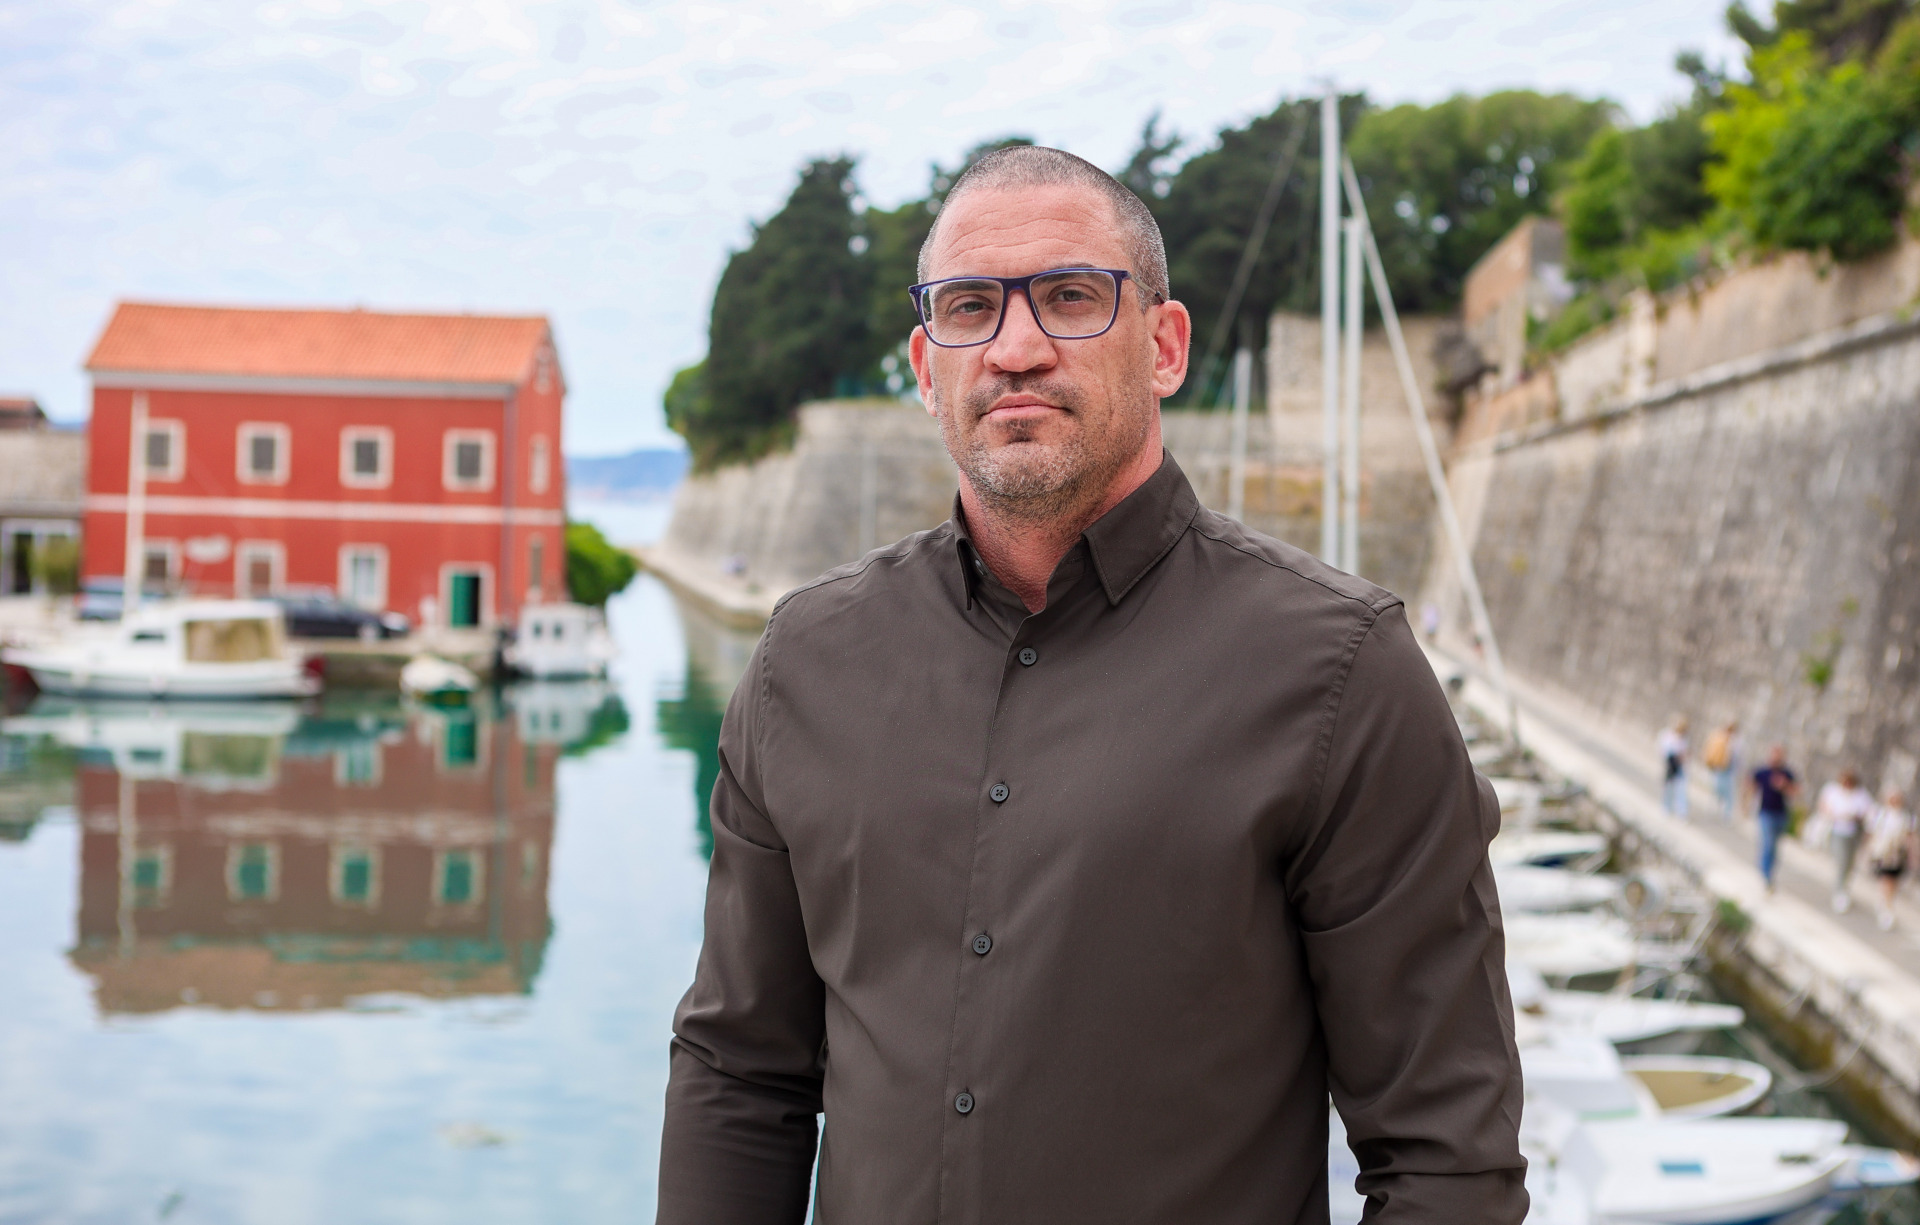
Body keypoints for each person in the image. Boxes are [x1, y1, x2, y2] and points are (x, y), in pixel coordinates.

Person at [657, 146, 1527, 1224]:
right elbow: (739, 1072)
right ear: (927, 368)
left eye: (1071, 297)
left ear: (1164, 346)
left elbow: (1447, 1161)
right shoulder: (805, 662)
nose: (1016, 348)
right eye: (971, 307)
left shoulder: (1342, 672)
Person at [1814, 768, 1875, 912]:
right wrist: (1834, 815)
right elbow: (1823, 806)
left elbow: (1868, 813)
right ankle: (1839, 892)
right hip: (1836, 830)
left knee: (1849, 863)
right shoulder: (1832, 790)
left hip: (1853, 832)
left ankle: (1844, 889)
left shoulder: (1861, 795)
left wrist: (1855, 816)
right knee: (1842, 861)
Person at [1865, 789, 1917, 931]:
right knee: (1886, 879)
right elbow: (1872, 833)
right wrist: (1869, 850)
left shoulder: (1906, 817)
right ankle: (1886, 907)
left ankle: (1886, 902)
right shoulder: (1881, 814)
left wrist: (1913, 855)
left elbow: (1910, 837)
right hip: (1884, 853)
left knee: (1894, 881)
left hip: (1898, 854)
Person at [1750, 746, 1799, 892]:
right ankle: (1766, 875)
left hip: (1781, 815)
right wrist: (1747, 804)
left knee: (1775, 848)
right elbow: (1751, 784)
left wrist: (1784, 786)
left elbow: (1795, 792)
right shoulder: (1763, 771)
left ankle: (1769, 871)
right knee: (1768, 844)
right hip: (1766, 813)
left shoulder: (1787, 774)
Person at [1701, 720, 1741, 823]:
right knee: (1720, 791)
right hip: (1722, 768)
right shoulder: (1723, 739)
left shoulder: (1731, 740)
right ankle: (1718, 812)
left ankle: (1723, 814)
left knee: (1725, 793)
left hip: (1725, 769)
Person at [1659, 716, 1690, 819]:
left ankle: (1681, 812)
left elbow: (1685, 754)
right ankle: (1666, 809)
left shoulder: (1684, 739)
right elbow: (1663, 751)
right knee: (1668, 788)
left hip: (1680, 767)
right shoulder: (1668, 735)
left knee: (1680, 790)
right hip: (1670, 766)